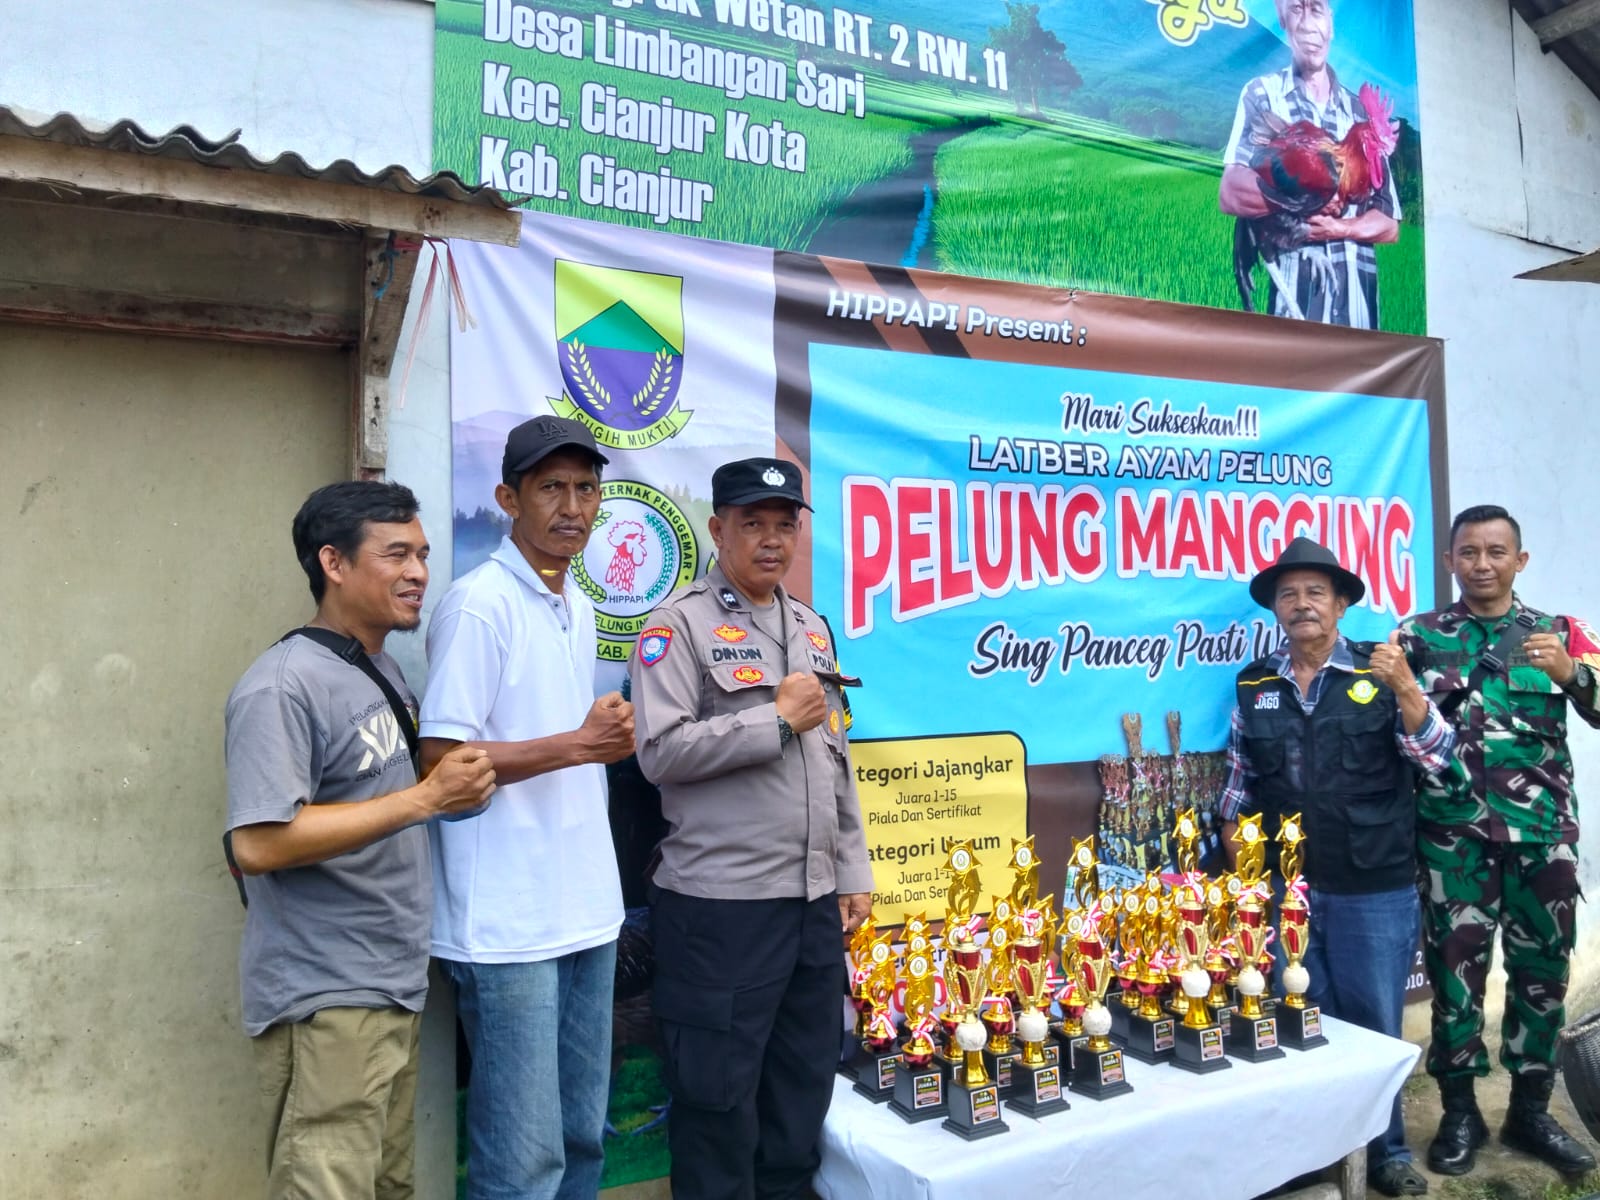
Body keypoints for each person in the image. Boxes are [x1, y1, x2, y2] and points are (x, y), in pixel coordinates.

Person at [224, 480, 497, 1200]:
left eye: (424, 555)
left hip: (389, 987)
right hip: (327, 996)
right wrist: (424, 798)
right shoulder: (282, 685)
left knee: (388, 1189)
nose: (418, 573)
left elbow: (391, 806)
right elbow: (257, 843)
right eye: (397, 554)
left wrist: (452, 795)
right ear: (334, 563)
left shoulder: (386, 673)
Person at [631, 457, 873, 1200]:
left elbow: (836, 757)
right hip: (720, 911)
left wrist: (853, 869)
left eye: (784, 524)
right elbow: (659, 752)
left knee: (800, 1094)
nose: (772, 540)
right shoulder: (677, 626)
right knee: (718, 1109)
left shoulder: (809, 627)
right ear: (717, 529)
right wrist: (772, 720)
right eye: (752, 524)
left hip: (809, 906)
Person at [419, 416, 636, 1200]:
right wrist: (577, 744)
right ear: (509, 497)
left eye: (585, 488)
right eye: (551, 488)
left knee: (581, 1140)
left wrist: (595, 739)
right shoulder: (480, 604)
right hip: (506, 928)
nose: (572, 505)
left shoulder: (573, 602)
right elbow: (441, 763)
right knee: (522, 1162)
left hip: (586, 909)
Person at [1217, 537, 1452, 1198]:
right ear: (1275, 611)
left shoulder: (1380, 673)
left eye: (1315, 592)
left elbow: (1438, 758)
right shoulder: (1255, 683)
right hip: (1286, 892)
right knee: (1302, 1023)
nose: (1301, 605)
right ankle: (1318, 1157)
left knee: (1375, 1027)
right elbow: (1237, 791)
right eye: (1288, 595)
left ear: (1342, 603)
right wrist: (1251, 880)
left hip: (1372, 886)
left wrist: (1405, 687)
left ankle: (1389, 1155)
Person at [1397, 506, 1600, 1177]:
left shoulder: (1561, 633)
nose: (1482, 564)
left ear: (1521, 559)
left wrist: (1574, 674)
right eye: (1469, 552)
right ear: (1451, 560)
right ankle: (1460, 1113)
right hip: (1453, 843)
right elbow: (1386, 726)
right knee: (1455, 982)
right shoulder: (1418, 638)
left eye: (1496, 551)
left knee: (1542, 977)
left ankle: (1531, 1111)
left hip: (1543, 841)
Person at [1219, 0, 1400, 328]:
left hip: (1358, 314)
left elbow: (1390, 225)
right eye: (1296, 9)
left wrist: (1338, 227)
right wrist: (1306, 194)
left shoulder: (1361, 116)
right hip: (1293, 311)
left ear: (1331, 23)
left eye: (1315, 9)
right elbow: (1231, 193)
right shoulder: (1263, 94)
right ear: (1282, 19)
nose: (1306, 23)